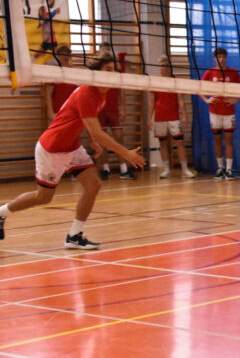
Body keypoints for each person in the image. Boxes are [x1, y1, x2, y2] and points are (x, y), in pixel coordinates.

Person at [0, 53, 146, 249]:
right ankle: (1, 212)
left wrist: (93, 141)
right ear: (96, 73)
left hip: (71, 146)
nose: (113, 74)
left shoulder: (101, 93)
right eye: (108, 70)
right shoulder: (87, 93)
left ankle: (75, 236)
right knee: (43, 197)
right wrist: (126, 153)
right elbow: (97, 131)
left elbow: (87, 122)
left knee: (93, 185)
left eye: (114, 70)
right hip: (52, 148)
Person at [148, 55, 196, 179]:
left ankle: (185, 169)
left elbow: (180, 99)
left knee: (180, 142)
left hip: (174, 117)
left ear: (170, 67)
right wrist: (149, 118)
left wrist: (184, 115)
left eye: (167, 66)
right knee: (162, 143)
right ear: (159, 68)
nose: (165, 68)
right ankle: (166, 170)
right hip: (160, 117)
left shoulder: (176, 81)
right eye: (162, 66)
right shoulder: (155, 82)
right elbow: (151, 101)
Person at [94, 45, 135, 180]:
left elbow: (121, 89)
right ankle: (105, 169)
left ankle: (123, 169)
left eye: (107, 50)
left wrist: (122, 106)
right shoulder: (95, 70)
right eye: (103, 50)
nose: (105, 52)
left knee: (119, 136)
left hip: (113, 108)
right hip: (99, 109)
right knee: (102, 140)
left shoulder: (115, 70)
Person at [201, 47, 240, 180]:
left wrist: (236, 99)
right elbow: (198, 87)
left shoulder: (233, 72)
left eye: (224, 57)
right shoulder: (210, 73)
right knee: (217, 140)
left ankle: (229, 169)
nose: (222, 59)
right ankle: (220, 168)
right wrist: (206, 100)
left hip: (229, 112)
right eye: (219, 57)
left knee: (229, 140)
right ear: (215, 59)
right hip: (214, 112)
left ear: (226, 58)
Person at [43, 45, 77, 123]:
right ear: (58, 56)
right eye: (62, 54)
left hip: (72, 111)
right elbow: (48, 94)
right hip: (57, 111)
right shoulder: (54, 72)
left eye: (67, 55)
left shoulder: (75, 72)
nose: (65, 57)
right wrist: (50, 111)